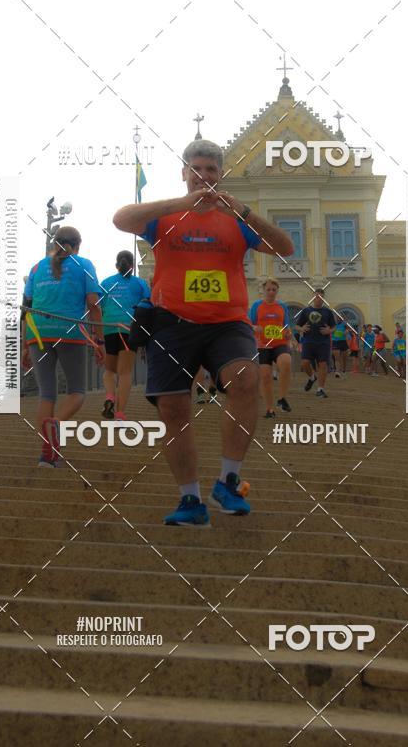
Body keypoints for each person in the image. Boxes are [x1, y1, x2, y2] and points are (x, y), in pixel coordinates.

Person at [113, 138, 294, 526]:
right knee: (173, 408)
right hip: (171, 323)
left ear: (221, 175)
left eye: (211, 170)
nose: (204, 176)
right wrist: (181, 204)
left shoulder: (236, 219)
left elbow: (285, 247)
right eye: (196, 169)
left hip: (227, 323)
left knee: (245, 378)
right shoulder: (165, 217)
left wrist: (243, 210)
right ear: (184, 173)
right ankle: (190, 500)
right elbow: (121, 219)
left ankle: (228, 481)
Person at [21, 227, 104, 467]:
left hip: (38, 333)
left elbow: (26, 309)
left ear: (54, 243)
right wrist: (99, 340)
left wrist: (25, 345)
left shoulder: (36, 268)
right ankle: (56, 423)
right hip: (70, 333)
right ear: (78, 244)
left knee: (46, 393)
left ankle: (47, 455)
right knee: (77, 391)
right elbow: (93, 304)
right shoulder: (84, 265)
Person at [100, 250, 150, 421]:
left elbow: (99, 307)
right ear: (133, 265)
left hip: (109, 328)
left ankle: (109, 396)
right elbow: (148, 305)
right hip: (129, 329)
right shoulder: (140, 283)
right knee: (125, 373)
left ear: (117, 265)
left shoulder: (106, 283)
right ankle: (120, 414)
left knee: (109, 370)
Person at [250, 278, 293, 417]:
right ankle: (270, 409)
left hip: (279, 343)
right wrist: (255, 327)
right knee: (266, 377)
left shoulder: (282, 306)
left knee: (286, 362)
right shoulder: (256, 305)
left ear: (277, 291)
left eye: (274, 290)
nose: (271, 292)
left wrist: (288, 334)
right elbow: (248, 324)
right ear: (263, 290)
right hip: (262, 346)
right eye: (268, 289)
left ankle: (282, 399)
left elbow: (286, 325)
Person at [295, 289, 335, 398]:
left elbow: (333, 327)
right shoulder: (306, 311)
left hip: (323, 342)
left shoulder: (328, 312)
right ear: (313, 297)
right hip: (308, 341)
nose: (318, 299)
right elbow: (297, 326)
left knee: (322, 365)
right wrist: (302, 328)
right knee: (304, 363)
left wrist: (329, 331)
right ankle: (312, 377)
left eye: (321, 297)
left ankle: (320, 389)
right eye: (317, 296)